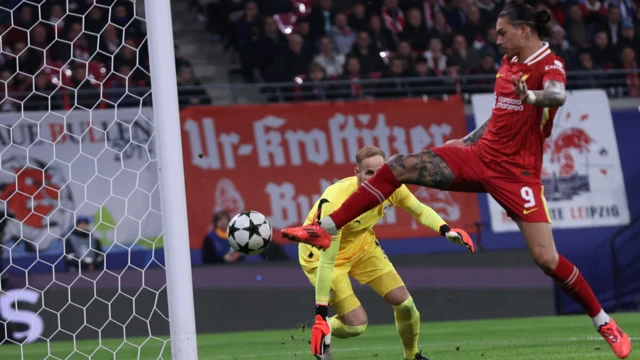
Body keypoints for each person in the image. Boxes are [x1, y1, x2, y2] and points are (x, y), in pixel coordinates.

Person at [282, 4, 632, 360]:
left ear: (524, 30)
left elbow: (557, 95)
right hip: (479, 156)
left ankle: (604, 321)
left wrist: (531, 97)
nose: (496, 40)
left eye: (502, 32)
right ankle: (326, 227)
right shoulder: (509, 63)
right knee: (399, 165)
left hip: (517, 174)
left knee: (546, 258)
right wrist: (466, 142)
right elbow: (499, 117)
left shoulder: (548, 64)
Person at [299, 146, 473, 360]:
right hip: (321, 255)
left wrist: (446, 230)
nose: (375, 178)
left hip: (361, 245)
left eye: (380, 172)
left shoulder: (391, 187)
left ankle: (411, 357)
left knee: (406, 305)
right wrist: (320, 316)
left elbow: (418, 209)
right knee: (356, 326)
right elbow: (327, 262)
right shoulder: (336, 203)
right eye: (369, 173)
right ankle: (324, 328)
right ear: (357, 173)